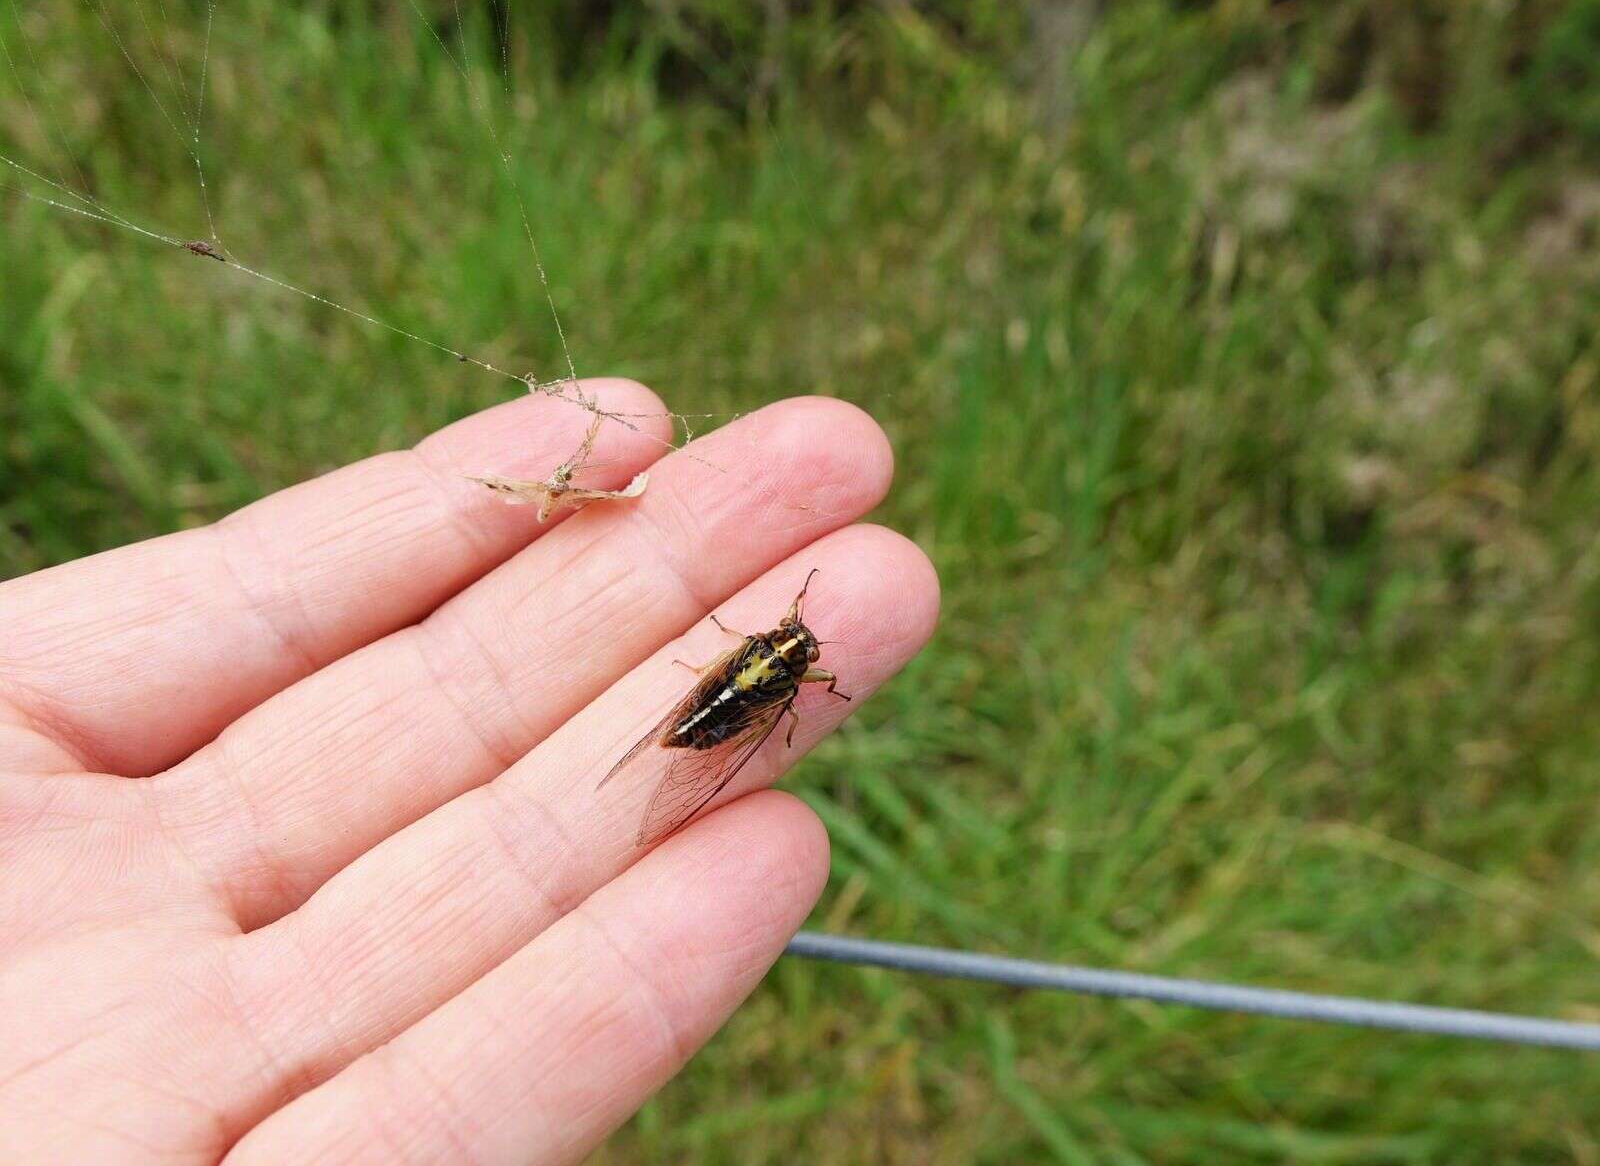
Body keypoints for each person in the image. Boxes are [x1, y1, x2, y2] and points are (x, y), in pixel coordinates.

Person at [0, 381, 938, 1163]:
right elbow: (759, 678)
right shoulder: (770, 663)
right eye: (788, 635)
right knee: (705, 720)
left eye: (789, 641)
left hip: (721, 707)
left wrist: (752, 688)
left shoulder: (770, 667)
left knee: (715, 723)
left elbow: (759, 684)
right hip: (713, 707)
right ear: (776, 642)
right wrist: (755, 686)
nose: (790, 640)